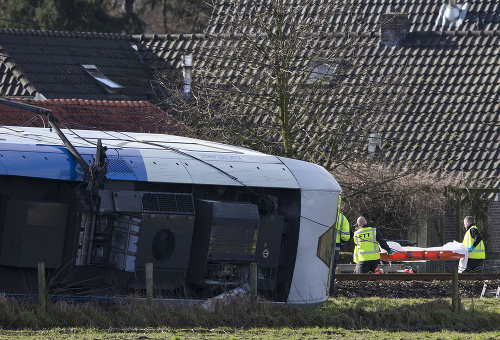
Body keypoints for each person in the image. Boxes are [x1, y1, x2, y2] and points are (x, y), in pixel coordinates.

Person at [329, 212, 350, 297]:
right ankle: (329, 293)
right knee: (331, 272)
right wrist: (341, 243)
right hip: (335, 247)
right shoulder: (341, 217)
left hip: (320, 246)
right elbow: (345, 236)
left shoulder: (321, 212)